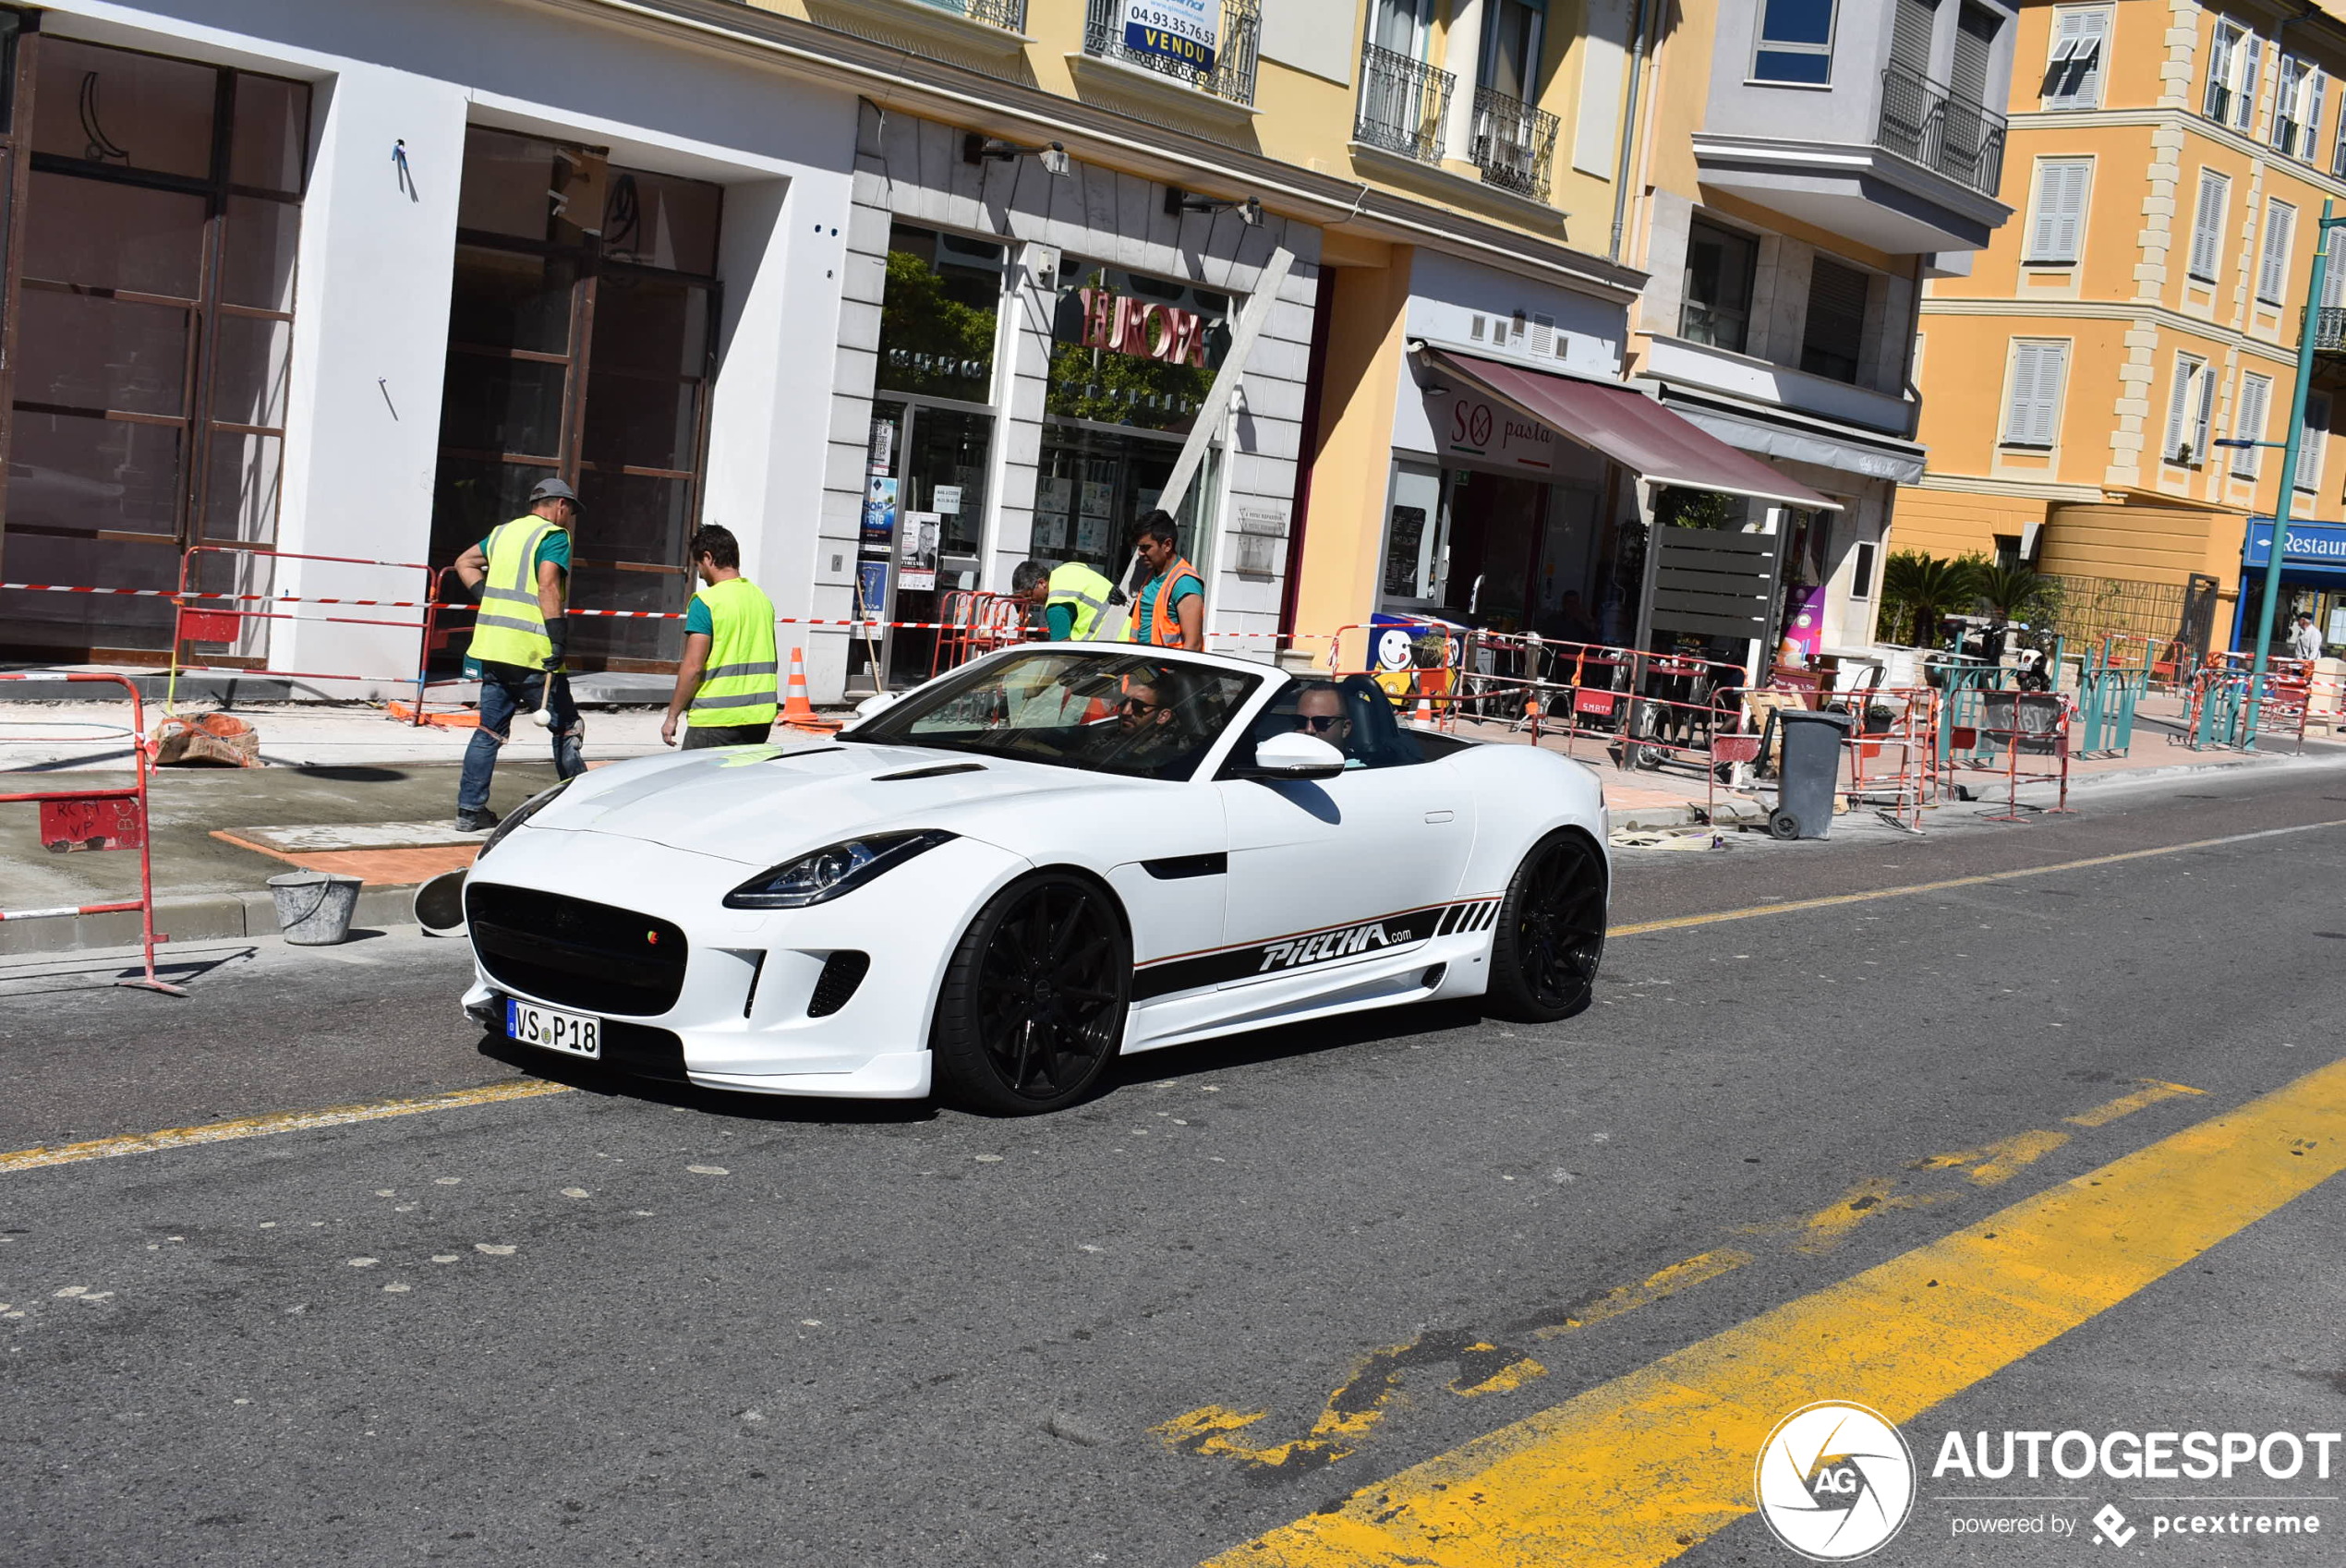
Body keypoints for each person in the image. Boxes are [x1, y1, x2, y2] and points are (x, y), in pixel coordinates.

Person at [451, 477, 587, 833]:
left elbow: (464, 562)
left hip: (494, 650)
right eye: (570, 511)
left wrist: (487, 595)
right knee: (567, 727)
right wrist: (558, 638)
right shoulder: (553, 537)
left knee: (488, 732)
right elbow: (547, 585)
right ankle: (580, 804)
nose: (569, 517)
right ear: (560, 506)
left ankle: (469, 812)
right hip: (532, 652)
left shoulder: (502, 534)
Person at [661, 525, 780, 749]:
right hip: (759, 719)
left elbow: (693, 667)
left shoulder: (706, 602)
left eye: (698, 566)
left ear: (708, 557)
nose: (700, 572)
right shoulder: (761, 600)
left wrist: (672, 716)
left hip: (715, 720)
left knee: (692, 782)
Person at [1127, 513, 1203, 650]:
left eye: (1146, 547)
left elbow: (1193, 645)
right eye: (1139, 548)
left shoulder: (1184, 582)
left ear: (1167, 545)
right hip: (1142, 668)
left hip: (1166, 670)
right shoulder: (1152, 575)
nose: (1140, 553)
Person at [1012, 557, 1119, 642]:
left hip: (1111, 647)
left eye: (1029, 595)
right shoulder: (1069, 568)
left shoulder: (1056, 604)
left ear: (1042, 583)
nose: (1031, 602)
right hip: (1125, 636)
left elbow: (1060, 655)